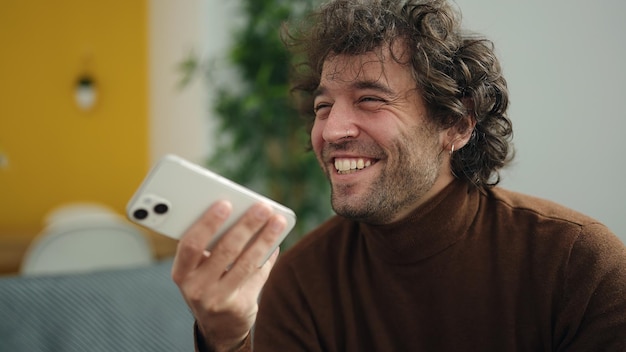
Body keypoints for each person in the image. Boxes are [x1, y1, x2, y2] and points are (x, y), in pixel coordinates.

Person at [172, 0, 626, 351]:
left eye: (371, 99)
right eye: (322, 106)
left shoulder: (578, 263)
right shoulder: (299, 282)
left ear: (457, 123)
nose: (331, 130)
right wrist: (227, 341)